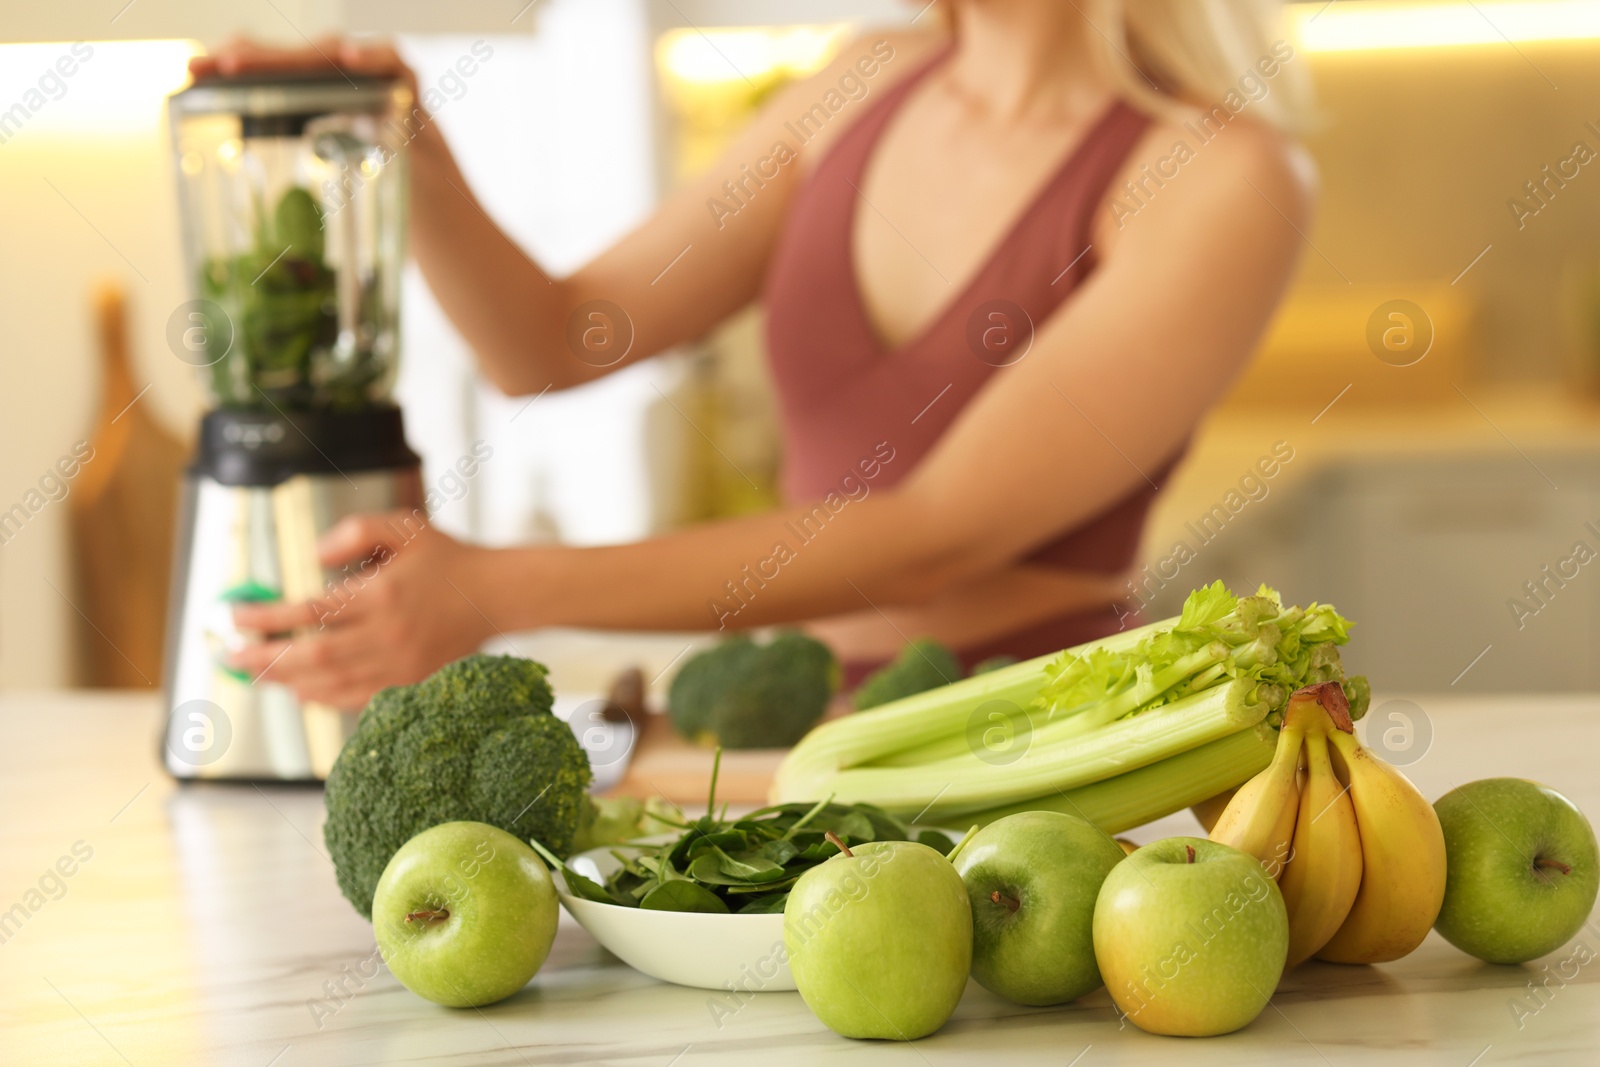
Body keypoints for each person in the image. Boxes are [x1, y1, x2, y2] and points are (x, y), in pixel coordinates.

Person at [216, 1, 1314, 710]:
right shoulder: (856, 86)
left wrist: (499, 588)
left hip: (1039, 736)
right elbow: (551, 340)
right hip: (790, 717)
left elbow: (939, 535)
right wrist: (407, 138)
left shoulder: (1222, 177)